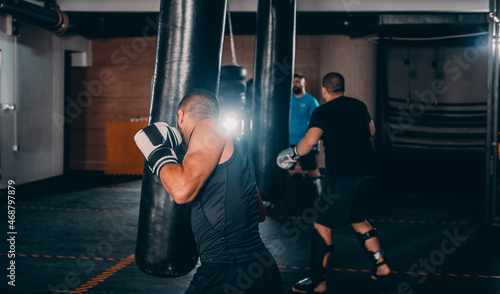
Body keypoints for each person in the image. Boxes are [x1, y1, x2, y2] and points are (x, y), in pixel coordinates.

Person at [135, 89, 283, 294]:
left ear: (180, 115)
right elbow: (260, 212)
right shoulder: (237, 149)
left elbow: (181, 191)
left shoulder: (208, 127)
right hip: (261, 267)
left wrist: (157, 154)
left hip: (228, 272)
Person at [277, 73, 391, 293]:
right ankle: (381, 265)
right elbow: (371, 131)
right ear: (343, 88)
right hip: (368, 172)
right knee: (358, 219)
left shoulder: (322, 110)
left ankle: (318, 282)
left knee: (321, 223)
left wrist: (292, 154)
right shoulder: (358, 105)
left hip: (343, 176)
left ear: (324, 90)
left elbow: (310, 141)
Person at [289, 74, 322, 194]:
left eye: (298, 82)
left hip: (305, 142)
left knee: (313, 172)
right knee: (284, 171)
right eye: (293, 82)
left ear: (304, 83)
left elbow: (317, 122)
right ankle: (280, 203)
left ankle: (321, 199)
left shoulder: (311, 101)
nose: (295, 84)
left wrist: (314, 142)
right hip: (289, 142)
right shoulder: (288, 99)